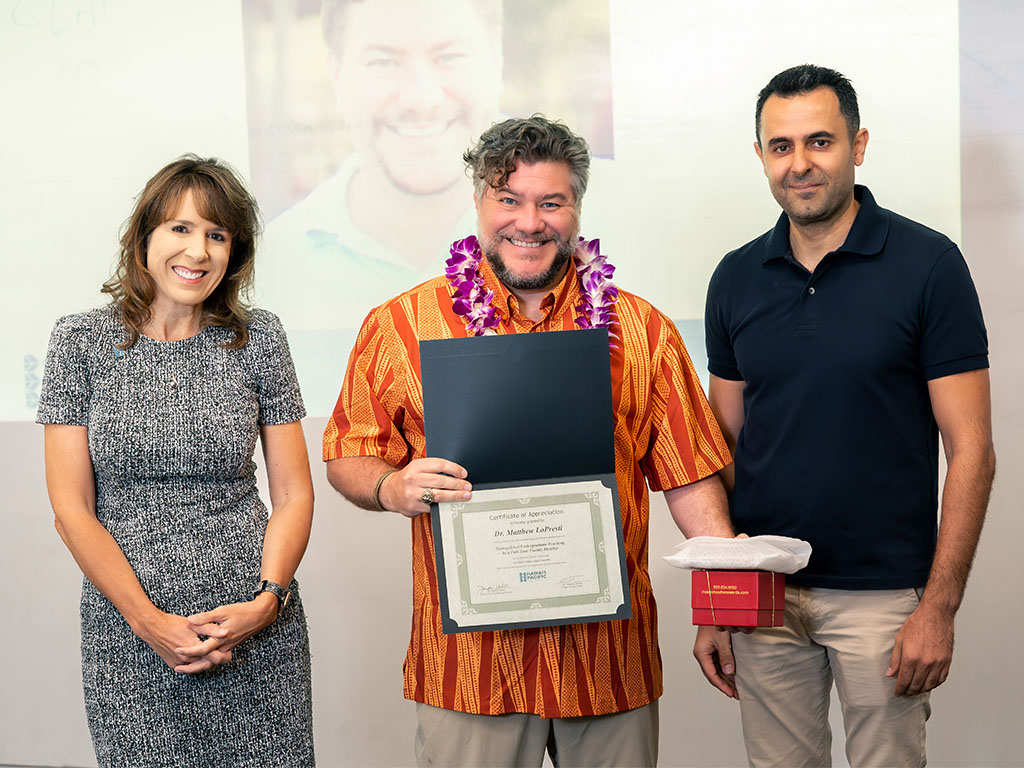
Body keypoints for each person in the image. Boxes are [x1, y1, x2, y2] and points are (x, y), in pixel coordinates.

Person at [324, 115, 736, 767]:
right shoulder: (401, 325)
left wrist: (721, 606)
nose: (529, 221)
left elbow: (691, 478)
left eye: (551, 201)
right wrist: (390, 485)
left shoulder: (644, 330)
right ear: (478, 202)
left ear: (577, 207)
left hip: (607, 663)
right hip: (470, 670)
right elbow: (348, 449)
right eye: (508, 199)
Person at [696, 64, 996, 767]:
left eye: (820, 141)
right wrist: (718, 599)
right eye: (781, 146)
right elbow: (721, 448)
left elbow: (973, 450)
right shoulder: (734, 277)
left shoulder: (929, 265)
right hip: (766, 594)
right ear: (762, 156)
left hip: (886, 598)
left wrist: (939, 608)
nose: (800, 164)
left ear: (858, 146)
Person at [36, 155, 316, 767]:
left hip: (253, 631)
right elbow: (70, 508)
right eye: (181, 229)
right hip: (131, 635)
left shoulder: (259, 336)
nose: (199, 250)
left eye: (218, 235)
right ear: (144, 239)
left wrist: (268, 601)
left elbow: (294, 494)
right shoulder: (79, 341)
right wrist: (149, 623)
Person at [257, 0, 504, 332]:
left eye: (449, 57)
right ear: (337, 74)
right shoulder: (269, 268)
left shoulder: (596, 211)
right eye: (384, 62)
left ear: (496, 56)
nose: (421, 99)